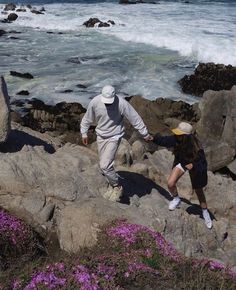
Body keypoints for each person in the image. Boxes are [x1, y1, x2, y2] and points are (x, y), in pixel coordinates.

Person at [80, 85, 152, 202]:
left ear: (114, 96)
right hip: (101, 136)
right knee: (105, 165)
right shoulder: (95, 102)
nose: (108, 104)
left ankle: (117, 187)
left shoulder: (122, 103)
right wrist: (84, 133)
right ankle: (111, 184)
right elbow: (87, 118)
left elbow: (135, 118)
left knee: (104, 165)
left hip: (114, 136)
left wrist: (145, 134)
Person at [153, 122, 212, 229]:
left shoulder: (196, 146)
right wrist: (152, 138)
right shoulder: (177, 138)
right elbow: (164, 141)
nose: (177, 135)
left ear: (186, 136)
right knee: (170, 183)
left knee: (199, 191)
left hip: (194, 165)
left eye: (179, 134)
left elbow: (203, 163)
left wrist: (193, 165)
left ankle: (205, 212)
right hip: (182, 162)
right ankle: (176, 199)